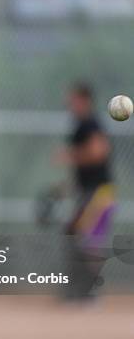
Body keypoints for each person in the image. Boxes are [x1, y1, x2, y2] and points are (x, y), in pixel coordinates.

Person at [59, 82, 115, 299]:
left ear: (84, 101)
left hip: (99, 193)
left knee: (89, 241)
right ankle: (79, 289)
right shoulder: (82, 124)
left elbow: (98, 152)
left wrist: (71, 155)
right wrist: (69, 187)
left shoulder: (90, 123)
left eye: (73, 99)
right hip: (89, 191)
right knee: (74, 233)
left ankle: (89, 292)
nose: (69, 104)